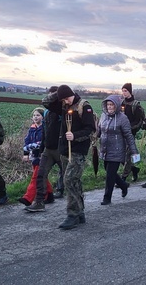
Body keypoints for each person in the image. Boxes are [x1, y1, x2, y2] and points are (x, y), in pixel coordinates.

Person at [44, 85, 96, 230]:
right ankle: (80, 213)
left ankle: (72, 214)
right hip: (64, 150)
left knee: (69, 180)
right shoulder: (63, 105)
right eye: (63, 99)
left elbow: (90, 129)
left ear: (71, 94)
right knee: (75, 182)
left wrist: (75, 136)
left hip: (78, 150)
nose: (65, 102)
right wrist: (58, 94)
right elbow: (45, 103)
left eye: (66, 98)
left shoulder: (84, 106)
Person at [26, 86, 66, 213]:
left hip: (60, 149)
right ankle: (39, 202)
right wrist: (41, 148)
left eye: (52, 95)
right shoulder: (47, 112)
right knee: (40, 175)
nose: (49, 98)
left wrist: (57, 94)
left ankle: (76, 205)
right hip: (48, 149)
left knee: (69, 177)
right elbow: (45, 130)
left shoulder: (61, 110)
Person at [97, 95, 139, 205]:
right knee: (108, 170)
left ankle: (107, 198)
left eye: (112, 105)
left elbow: (129, 136)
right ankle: (123, 185)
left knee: (110, 174)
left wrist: (134, 151)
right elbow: (99, 130)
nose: (110, 107)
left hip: (117, 149)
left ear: (117, 106)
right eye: (108, 105)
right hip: (105, 148)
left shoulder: (122, 118)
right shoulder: (103, 116)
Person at [18, 108, 55, 208]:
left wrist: (30, 146)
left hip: (42, 155)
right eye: (34, 115)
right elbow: (27, 141)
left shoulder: (44, 128)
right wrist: (25, 153)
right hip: (33, 156)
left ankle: (28, 198)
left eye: (38, 115)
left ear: (43, 117)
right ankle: (49, 195)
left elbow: (40, 143)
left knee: (36, 177)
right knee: (42, 176)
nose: (35, 117)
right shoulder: (32, 128)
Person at [119, 83, 144, 182]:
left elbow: (138, 120)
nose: (124, 93)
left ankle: (123, 178)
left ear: (130, 91)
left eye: (126, 91)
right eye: (123, 91)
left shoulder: (136, 105)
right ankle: (134, 169)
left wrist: (130, 128)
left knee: (128, 157)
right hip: (120, 134)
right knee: (121, 156)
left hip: (130, 134)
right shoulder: (121, 104)